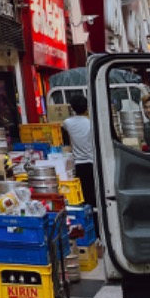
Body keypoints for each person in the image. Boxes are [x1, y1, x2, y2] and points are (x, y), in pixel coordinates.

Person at [62, 94, 98, 228]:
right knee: (95, 198)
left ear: (72, 108)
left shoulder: (68, 123)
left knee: (84, 198)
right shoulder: (91, 123)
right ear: (86, 107)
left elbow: (65, 132)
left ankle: (88, 225)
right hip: (93, 164)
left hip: (79, 166)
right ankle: (97, 226)